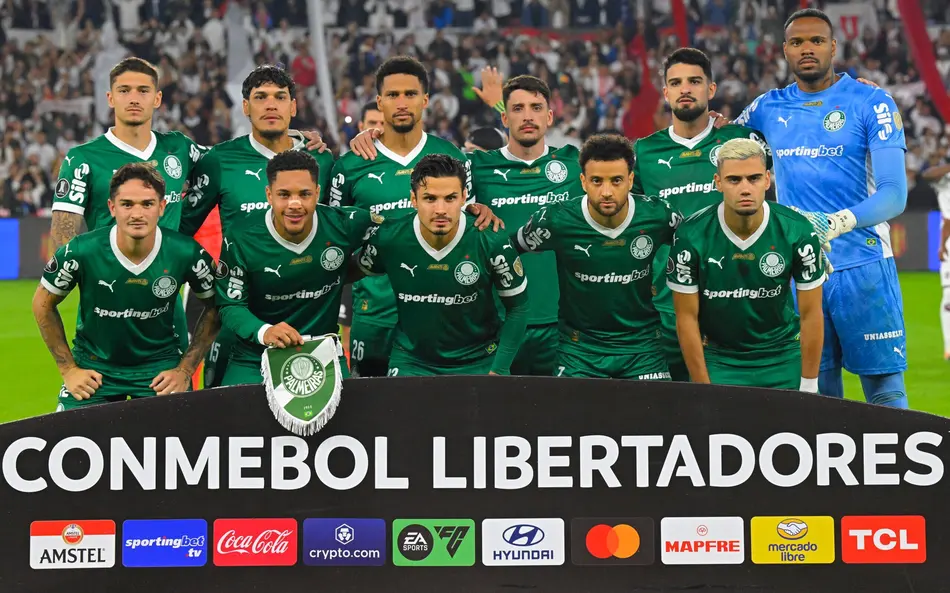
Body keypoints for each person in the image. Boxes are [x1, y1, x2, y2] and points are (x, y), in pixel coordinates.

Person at [733, 8, 909, 406]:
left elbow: (895, 194)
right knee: (818, 397)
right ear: (784, 51)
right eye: (797, 42)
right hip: (800, 274)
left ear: (833, 46)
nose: (806, 49)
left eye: (815, 41)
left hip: (864, 267)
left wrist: (836, 223)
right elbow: (722, 149)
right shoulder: (766, 108)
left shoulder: (871, 101)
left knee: (885, 391)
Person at [326, 55, 498, 378]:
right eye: (392, 95)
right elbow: (335, 247)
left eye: (410, 94)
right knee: (374, 422)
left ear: (426, 100)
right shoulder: (349, 168)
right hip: (374, 317)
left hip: (443, 320)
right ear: (379, 101)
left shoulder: (453, 160)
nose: (402, 103)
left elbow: (470, 235)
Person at [178, 64, 336, 388]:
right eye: (260, 97)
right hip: (238, 317)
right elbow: (180, 231)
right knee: (228, 418)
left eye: (280, 97)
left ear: (293, 107)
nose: (271, 105)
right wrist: (209, 271)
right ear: (246, 107)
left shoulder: (321, 160)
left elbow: (341, 228)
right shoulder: (219, 160)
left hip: (309, 316)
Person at [632, 48, 771, 382]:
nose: (685, 89)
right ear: (665, 92)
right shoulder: (643, 153)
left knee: (736, 414)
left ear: (711, 89)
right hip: (666, 307)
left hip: (736, 300)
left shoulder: (740, 141)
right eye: (676, 82)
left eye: (694, 81)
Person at [33, 163, 220, 410]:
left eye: (147, 204)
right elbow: (42, 304)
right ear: (112, 207)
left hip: (160, 371)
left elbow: (217, 305)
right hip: (94, 369)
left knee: (181, 444)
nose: (137, 214)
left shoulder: (186, 252)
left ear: (162, 207)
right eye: (127, 204)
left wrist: (185, 370)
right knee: (67, 441)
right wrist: (68, 369)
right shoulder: (81, 251)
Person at [513, 134, 678, 380]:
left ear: (631, 180)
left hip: (643, 347)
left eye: (617, 180)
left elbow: (696, 246)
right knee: (572, 418)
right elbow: (506, 250)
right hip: (579, 349)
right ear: (583, 181)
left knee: (652, 418)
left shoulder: (658, 215)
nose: (607, 192)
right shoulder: (555, 220)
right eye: (597, 181)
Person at [667, 138, 825, 391]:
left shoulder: (797, 231)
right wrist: (702, 389)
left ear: (767, 180)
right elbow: (686, 318)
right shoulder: (691, 236)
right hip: (720, 360)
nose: (745, 189)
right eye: (734, 180)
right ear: (718, 183)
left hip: (783, 357)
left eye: (753, 178)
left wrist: (809, 384)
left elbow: (811, 314)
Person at [215, 151, 379, 385]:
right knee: (236, 418)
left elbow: (397, 236)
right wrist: (264, 331)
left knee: (349, 419)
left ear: (317, 194)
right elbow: (230, 304)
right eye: (284, 194)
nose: (295, 204)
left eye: (304, 194)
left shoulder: (346, 223)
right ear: (269, 195)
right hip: (255, 356)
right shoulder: (241, 237)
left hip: (323, 350)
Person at [357, 154, 528, 376]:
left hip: (479, 361)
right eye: (430, 198)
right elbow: (351, 271)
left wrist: (500, 369)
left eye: (450, 198)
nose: (440, 209)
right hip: (412, 361)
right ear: (413, 199)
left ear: (465, 197)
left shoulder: (491, 240)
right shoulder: (389, 238)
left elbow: (518, 307)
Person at [466, 75, 585, 376]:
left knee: (563, 420)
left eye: (536, 108)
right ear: (503, 117)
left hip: (563, 327)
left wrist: (720, 125)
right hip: (498, 324)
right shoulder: (477, 167)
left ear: (549, 116)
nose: (528, 116)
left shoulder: (575, 165)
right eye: (518, 108)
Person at [50, 57, 203, 246]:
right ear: (110, 98)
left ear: (157, 99)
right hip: (108, 274)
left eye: (143, 91)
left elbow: (226, 163)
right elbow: (62, 234)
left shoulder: (179, 148)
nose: (133, 99)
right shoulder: (82, 159)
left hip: (168, 275)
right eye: (124, 91)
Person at [922, 157, 950, 360]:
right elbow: (927, 174)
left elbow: (949, 220)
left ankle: (949, 347)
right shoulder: (945, 181)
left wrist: (941, 246)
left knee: (948, 299)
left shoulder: (946, 188)